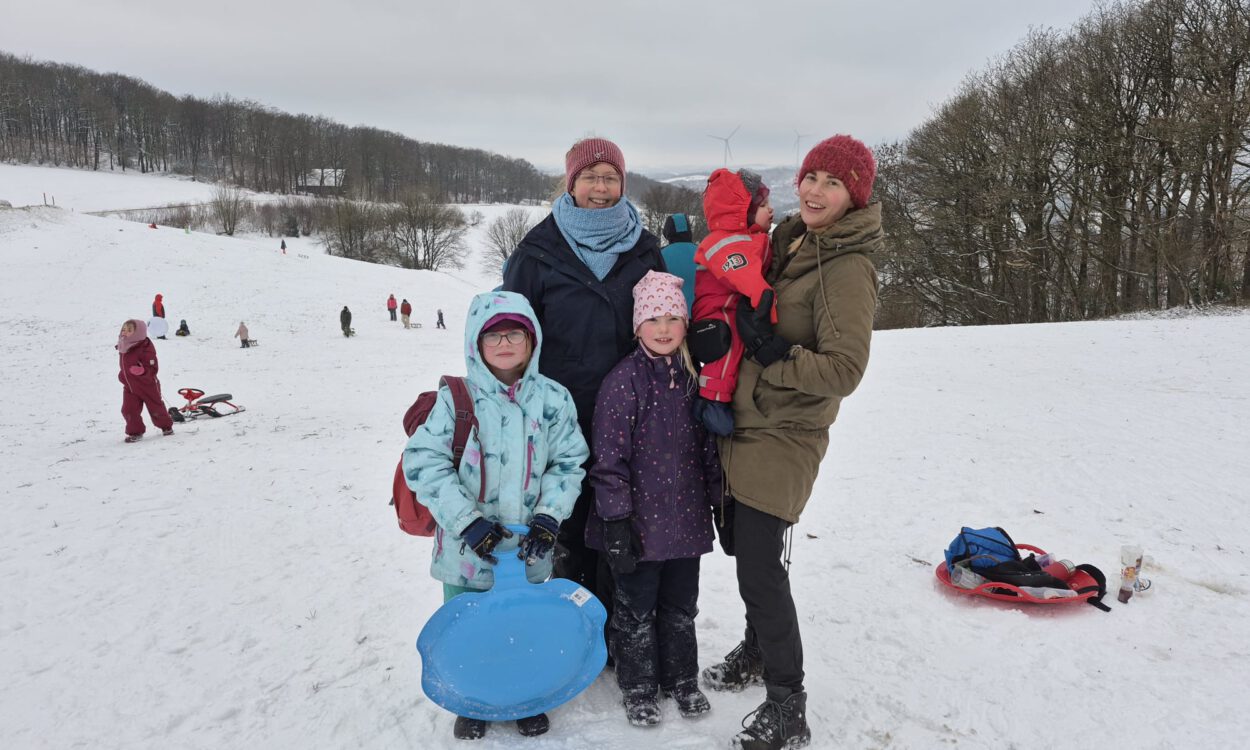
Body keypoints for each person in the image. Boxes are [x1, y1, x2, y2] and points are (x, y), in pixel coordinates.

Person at [701, 135, 881, 749]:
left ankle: (787, 703)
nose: (814, 190)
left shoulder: (847, 264)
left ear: (853, 196)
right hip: (747, 420)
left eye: (833, 183)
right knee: (743, 551)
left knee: (759, 568)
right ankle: (756, 649)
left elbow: (846, 370)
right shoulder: (788, 242)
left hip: (788, 432)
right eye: (811, 176)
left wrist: (774, 355)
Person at [403, 291, 590, 741]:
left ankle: (527, 695)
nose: (504, 343)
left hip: (529, 551)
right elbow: (423, 463)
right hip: (466, 554)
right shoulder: (456, 399)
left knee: (526, 626)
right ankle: (472, 698)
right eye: (493, 335)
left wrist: (549, 517)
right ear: (475, 342)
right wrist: (467, 521)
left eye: (514, 333)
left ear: (532, 340)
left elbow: (568, 463)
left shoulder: (553, 399)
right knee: (470, 629)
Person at [502, 136, 665, 611]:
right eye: (590, 177)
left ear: (622, 183)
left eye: (610, 177)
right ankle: (569, 617)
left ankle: (616, 623)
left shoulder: (644, 248)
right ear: (571, 183)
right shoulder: (537, 251)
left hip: (633, 411)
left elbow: (662, 324)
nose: (600, 187)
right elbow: (515, 334)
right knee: (566, 518)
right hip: (560, 414)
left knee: (620, 517)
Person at [587, 271, 722, 727]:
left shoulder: (692, 379)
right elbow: (608, 459)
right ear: (636, 326)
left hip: (685, 520)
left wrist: (721, 502)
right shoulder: (623, 382)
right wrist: (616, 520)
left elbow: (709, 450)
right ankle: (639, 685)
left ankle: (682, 679)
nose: (663, 328)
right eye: (652, 319)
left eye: (672, 318)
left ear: (685, 325)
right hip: (639, 526)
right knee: (636, 611)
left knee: (682, 606)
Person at [689, 168, 776, 438]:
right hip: (717, 310)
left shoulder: (746, 237)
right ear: (743, 212)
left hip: (728, 304)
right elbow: (748, 279)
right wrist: (769, 312)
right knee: (727, 345)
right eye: (763, 206)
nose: (771, 211)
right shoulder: (726, 242)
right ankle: (711, 400)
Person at [116, 319, 175, 442]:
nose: (124, 332)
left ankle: (166, 426)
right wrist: (123, 375)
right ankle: (135, 432)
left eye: (129, 330)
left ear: (138, 332)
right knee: (128, 409)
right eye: (123, 329)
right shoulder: (124, 344)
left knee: (156, 407)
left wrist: (143, 371)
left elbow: (153, 367)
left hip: (147, 384)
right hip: (130, 385)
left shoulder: (145, 346)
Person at [660, 213, 697, 315]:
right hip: (700, 313)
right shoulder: (702, 252)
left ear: (668, 232)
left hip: (671, 314)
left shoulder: (660, 255)